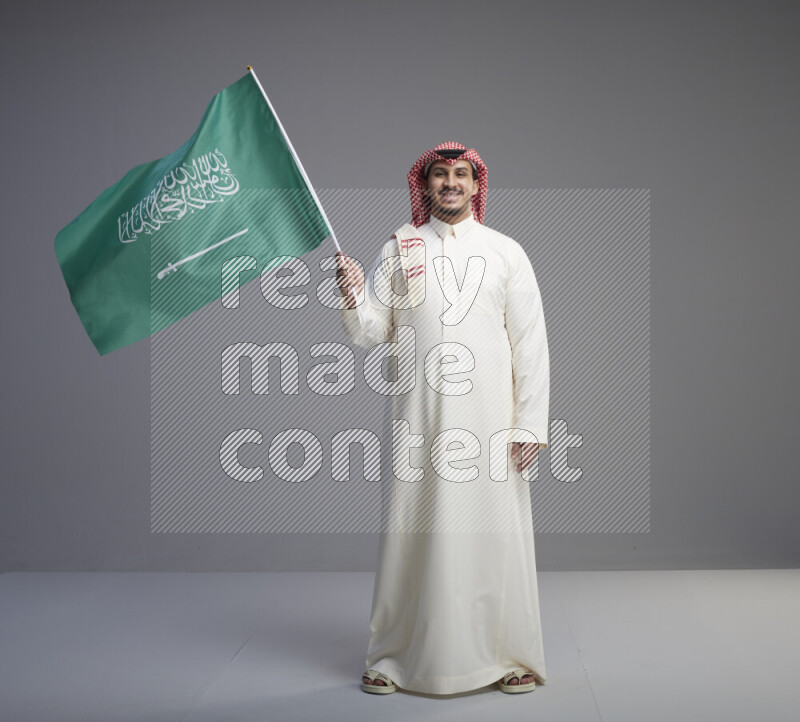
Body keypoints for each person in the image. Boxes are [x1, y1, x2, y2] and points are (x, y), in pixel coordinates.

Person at [335, 141, 550, 696]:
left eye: (460, 175)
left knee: (493, 536)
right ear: (424, 185)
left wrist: (530, 423)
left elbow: (530, 345)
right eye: (439, 175)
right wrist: (353, 294)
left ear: (477, 186)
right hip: (419, 421)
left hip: (491, 425)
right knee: (413, 531)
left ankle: (508, 657)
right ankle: (391, 658)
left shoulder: (506, 252)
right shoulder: (399, 248)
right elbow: (371, 331)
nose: (450, 183)